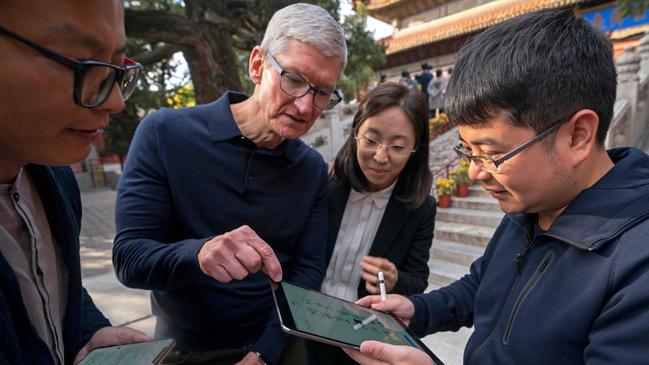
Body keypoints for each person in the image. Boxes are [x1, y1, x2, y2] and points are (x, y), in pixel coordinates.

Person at [346, 8, 649, 365]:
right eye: (468, 151)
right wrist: (416, 309)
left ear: (578, 135)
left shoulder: (636, 263)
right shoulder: (530, 205)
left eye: (491, 153)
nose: (476, 173)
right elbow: (481, 286)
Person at [112, 3, 347, 365]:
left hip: (273, 344)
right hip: (182, 347)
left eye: (322, 93)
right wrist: (198, 254)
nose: (304, 107)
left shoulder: (312, 169)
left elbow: (306, 274)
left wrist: (263, 353)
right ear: (257, 65)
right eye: (295, 80)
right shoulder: (165, 134)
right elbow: (129, 258)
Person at [0, 1, 152, 364]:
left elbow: (52, 291)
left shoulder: (57, 180)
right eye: (84, 63)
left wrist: (89, 334)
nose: (115, 101)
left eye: (117, 68)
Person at [307, 82, 435, 365]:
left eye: (398, 146)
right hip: (306, 324)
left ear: (416, 148)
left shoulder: (420, 208)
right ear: (355, 134)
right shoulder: (325, 183)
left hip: (363, 339)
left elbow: (417, 279)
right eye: (371, 139)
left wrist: (394, 279)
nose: (380, 157)